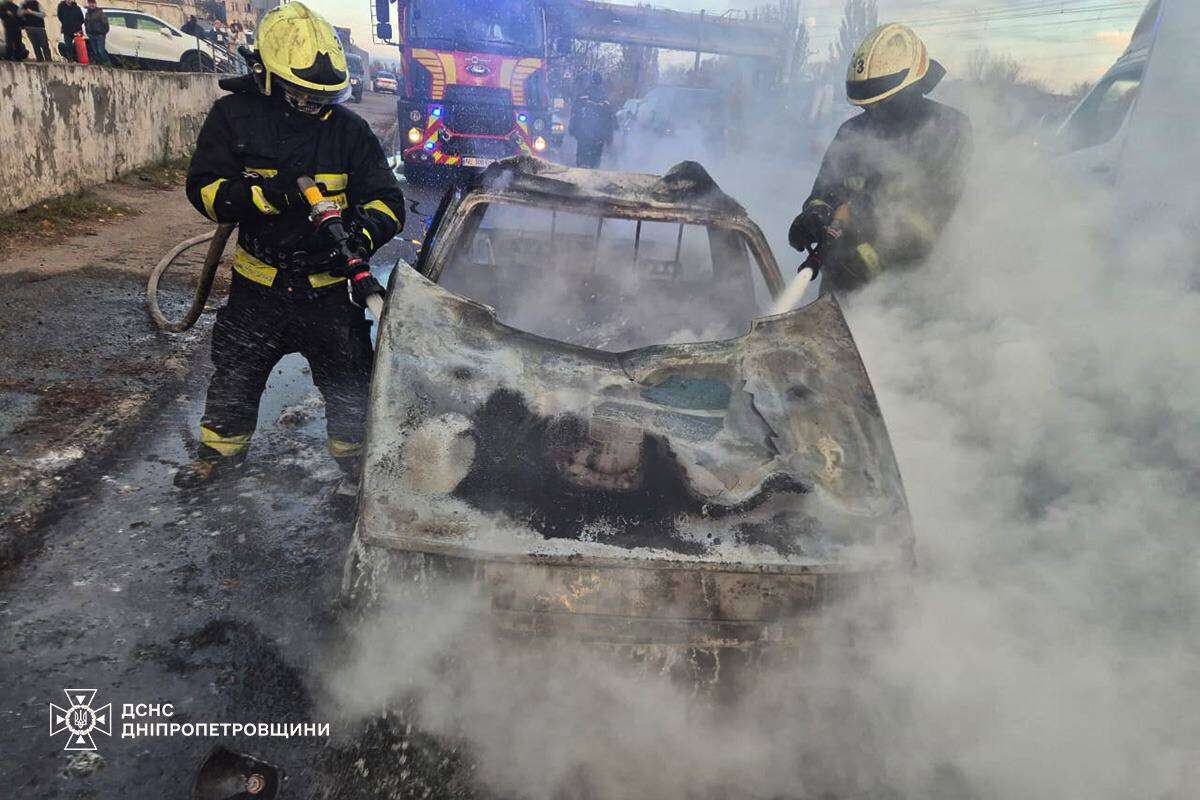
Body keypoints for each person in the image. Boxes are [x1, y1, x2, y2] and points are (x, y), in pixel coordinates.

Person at [177, 1, 405, 488]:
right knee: (236, 374)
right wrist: (265, 195)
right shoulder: (234, 118)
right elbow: (206, 192)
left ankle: (357, 469)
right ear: (267, 77)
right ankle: (218, 459)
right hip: (258, 289)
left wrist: (361, 235)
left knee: (350, 382)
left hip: (329, 293)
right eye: (302, 96)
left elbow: (387, 202)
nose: (313, 105)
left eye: (323, 97)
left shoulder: (349, 132)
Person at [788, 24, 971, 294]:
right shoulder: (852, 131)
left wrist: (873, 257)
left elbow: (935, 215)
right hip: (843, 275)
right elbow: (827, 188)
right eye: (867, 105)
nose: (872, 111)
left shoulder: (948, 130)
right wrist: (816, 213)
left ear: (911, 88)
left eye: (882, 102)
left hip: (914, 290)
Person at [569, 74, 615, 168]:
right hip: (599, 135)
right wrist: (609, 136)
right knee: (595, 159)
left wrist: (572, 128)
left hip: (583, 133)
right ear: (600, 83)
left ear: (590, 82)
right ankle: (593, 173)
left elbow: (575, 113)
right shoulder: (604, 98)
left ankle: (581, 172)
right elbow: (609, 117)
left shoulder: (582, 95)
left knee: (582, 157)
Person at [83, 0, 107, 65]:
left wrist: (102, 33)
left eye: (93, 3)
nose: (91, 5)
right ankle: (99, 64)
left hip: (99, 35)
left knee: (101, 51)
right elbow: (86, 23)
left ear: (95, 4)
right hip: (91, 35)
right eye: (90, 3)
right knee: (95, 51)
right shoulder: (87, 13)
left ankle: (107, 64)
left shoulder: (100, 13)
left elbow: (105, 24)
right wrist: (88, 32)